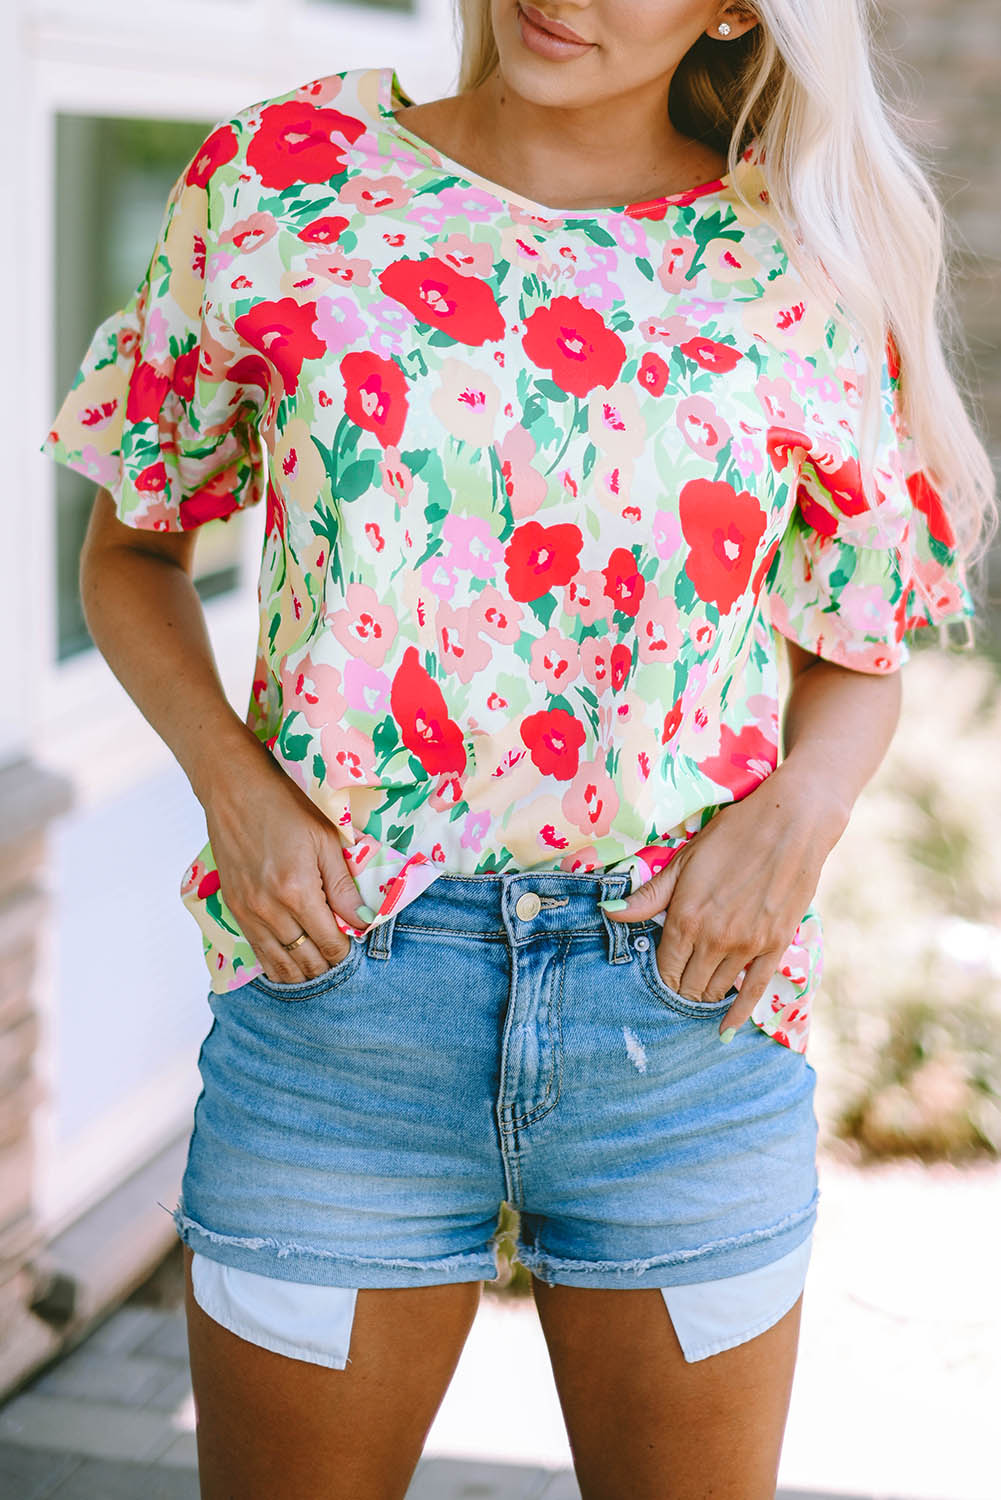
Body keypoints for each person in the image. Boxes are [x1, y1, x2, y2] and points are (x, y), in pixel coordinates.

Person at [39, 0, 996, 1495]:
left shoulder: (798, 258)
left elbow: (859, 644)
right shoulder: (287, 177)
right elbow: (131, 551)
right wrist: (237, 793)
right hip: (341, 997)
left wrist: (794, 820)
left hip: (676, 1012)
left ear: (737, 7)